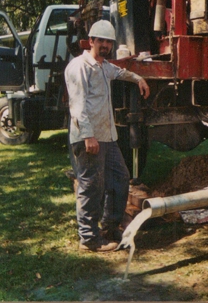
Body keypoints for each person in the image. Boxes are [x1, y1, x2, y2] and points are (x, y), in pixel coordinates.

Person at [65, 20, 150, 252]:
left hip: (107, 137)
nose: (104, 45)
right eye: (100, 40)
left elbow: (120, 72)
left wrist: (138, 79)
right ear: (90, 41)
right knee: (92, 186)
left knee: (120, 178)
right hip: (88, 138)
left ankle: (109, 227)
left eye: (108, 42)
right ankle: (89, 239)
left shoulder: (103, 66)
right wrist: (88, 135)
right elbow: (77, 105)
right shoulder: (78, 66)